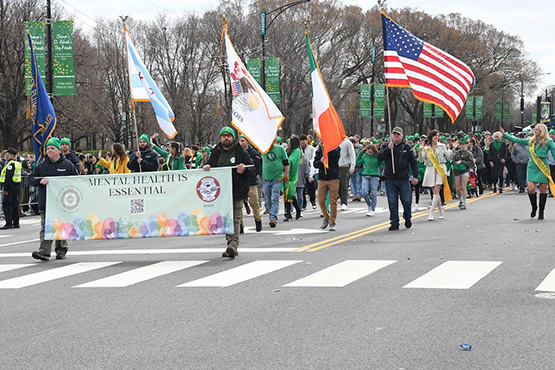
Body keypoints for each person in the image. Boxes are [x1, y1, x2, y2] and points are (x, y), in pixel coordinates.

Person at [203, 127, 252, 258]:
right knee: (225, 219)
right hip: (220, 192)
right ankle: (230, 242)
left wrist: (244, 170)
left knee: (235, 218)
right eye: (224, 135)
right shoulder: (216, 152)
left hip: (237, 190)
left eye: (229, 136)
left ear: (232, 137)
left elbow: (252, 169)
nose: (226, 138)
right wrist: (207, 167)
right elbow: (210, 164)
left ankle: (233, 245)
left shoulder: (240, 152)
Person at [29, 138, 79, 261]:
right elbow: (30, 179)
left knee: (60, 225)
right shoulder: (41, 166)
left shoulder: (67, 165)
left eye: (52, 148)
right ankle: (44, 251)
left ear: (58, 150)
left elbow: (77, 180)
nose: (49, 150)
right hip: (45, 202)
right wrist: (39, 181)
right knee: (45, 226)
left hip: (62, 203)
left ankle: (61, 249)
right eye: (48, 148)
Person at [500, 124, 555, 220]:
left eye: (537, 130)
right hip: (532, 165)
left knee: (542, 190)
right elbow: (518, 140)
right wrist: (505, 135)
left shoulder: (549, 141)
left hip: (543, 166)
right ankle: (534, 207)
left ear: (542, 131)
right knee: (531, 188)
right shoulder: (531, 140)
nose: (535, 131)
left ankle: (541, 211)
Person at [378, 127, 419, 230]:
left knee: (406, 201)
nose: (396, 136)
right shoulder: (386, 146)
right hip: (390, 179)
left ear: (401, 136)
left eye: (398, 135)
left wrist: (415, 176)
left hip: (403, 179)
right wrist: (388, 150)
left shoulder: (407, 147)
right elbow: (379, 157)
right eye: (394, 134)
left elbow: (414, 162)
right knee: (392, 202)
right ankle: (394, 222)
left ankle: (407, 217)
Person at [419, 129, 454, 221]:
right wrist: (420, 151)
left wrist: (453, 149)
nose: (437, 137)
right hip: (430, 168)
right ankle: (441, 210)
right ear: (431, 136)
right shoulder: (426, 148)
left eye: (438, 136)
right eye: (435, 135)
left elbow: (449, 157)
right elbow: (421, 161)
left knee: (436, 190)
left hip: (440, 168)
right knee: (435, 191)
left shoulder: (442, 146)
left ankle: (431, 212)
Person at [262, 137, 289, 228]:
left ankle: (273, 217)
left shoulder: (280, 149)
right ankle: (271, 215)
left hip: (277, 179)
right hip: (266, 178)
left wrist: (286, 175)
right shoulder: (262, 149)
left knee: (275, 197)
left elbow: (286, 163)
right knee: (267, 200)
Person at [314, 145, 341, 231]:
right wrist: (320, 161)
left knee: (333, 201)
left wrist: (328, 151)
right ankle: (326, 217)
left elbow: (336, 155)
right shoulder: (319, 151)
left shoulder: (336, 148)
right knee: (321, 200)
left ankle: (332, 222)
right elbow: (315, 163)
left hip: (333, 177)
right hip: (322, 178)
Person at [239, 135, 262, 232]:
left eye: (243, 141)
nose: (241, 143)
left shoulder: (253, 152)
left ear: (247, 142)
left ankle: (258, 220)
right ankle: (240, 225)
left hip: (250, 181)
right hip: (239, 182)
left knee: (254, 203)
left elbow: (256, 163)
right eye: (240, 141)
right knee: (238, 205)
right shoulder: (237, 153)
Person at [357, 143, 382, 217]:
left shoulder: (377, 157)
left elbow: (383, 163)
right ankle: (370, 204)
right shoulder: (365, 156)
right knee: (364, 192)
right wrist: (361, 152)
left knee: (373, 193)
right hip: (365, 175)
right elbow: (357, 162)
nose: (369, 153)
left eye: (371, 152)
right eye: (368, 152)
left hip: (374, 175)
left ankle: (372, 209)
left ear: (374, 151)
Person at [0, 149, 22, 229]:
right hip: (15, 186)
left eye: (7, 154)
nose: (6, 156)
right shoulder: (17, 163)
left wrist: (5, 188)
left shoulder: (10, 164)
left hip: (10, 187)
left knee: (7, 205)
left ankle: (8, 223)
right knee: (15, 205)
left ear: (12, 155)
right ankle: (16, 223)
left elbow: (8, 178)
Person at [283, 135, 302, 221]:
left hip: (292, 175)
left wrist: (286, 161)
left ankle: (297, 210)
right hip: (286, 174)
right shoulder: (289, 150)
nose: (288, 143)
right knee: (286, 194)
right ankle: (288, 213)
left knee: (290, 193)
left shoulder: (297, 151)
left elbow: (292, 161)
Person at [452, 137, 474, 210]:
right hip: (457, 171)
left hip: (465, 171)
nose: (462, 145)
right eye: (461, 144)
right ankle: (460, 199)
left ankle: (464, 201)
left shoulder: (469, 153)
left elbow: (470, 163)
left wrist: (462, 162)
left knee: (463, 186)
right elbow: (453, 160)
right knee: (458, 188)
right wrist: (456, 163)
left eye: (463, 144)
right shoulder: (457, 153)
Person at [338, 137, 356, 210]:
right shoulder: (333, 141)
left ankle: (344, 202)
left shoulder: (347, 142)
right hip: (334, 166)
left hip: (344, 166)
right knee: (335, 185)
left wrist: (352, 166)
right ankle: (339, 198)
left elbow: (352, 155)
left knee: (343, 185)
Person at [300, 134, 317, 209]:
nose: (302, 142)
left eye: (304, 140)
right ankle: (304, 204)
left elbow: (314, 158)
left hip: (309, 170)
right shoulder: (298, 149)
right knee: (302, 188)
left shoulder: (311, 149)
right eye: (301, 140)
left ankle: (313, 201)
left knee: (310, 187)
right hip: (301, 171)